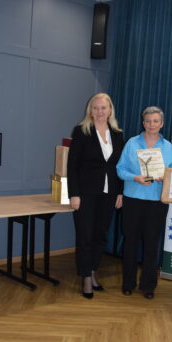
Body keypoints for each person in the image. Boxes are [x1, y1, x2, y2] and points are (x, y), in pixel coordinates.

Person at [67, 93, 124, 299]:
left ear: (110, 110)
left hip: (109, 193)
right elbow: (72, 166)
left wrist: (120, 192)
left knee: (100, 236)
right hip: (86, 194)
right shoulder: (81, 131)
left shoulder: (117, 134)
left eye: (103, 108)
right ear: (90, 110)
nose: (99, 112)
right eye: (95, 108)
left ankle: (93, 271)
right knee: (85, 236)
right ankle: (85, 278)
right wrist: (74, 194)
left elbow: (119, 166)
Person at [116, 106, 172, 299]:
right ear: (143, 123)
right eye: (148, 121)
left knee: (152, 245)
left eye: (155, 121)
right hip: (133, 199)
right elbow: (120, 169)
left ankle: (148, 286)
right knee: (130, 243)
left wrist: (165, 177)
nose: (152, 125)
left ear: (162, 123)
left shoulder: (168, 147)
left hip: (157, 202)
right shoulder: (132, 143)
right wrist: (135, 178)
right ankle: (128, 283)